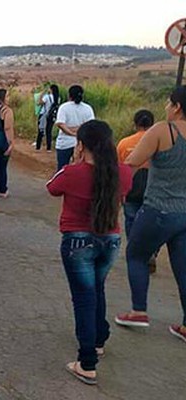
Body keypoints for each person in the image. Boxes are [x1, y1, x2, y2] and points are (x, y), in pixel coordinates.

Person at [47, 120, 132, 386]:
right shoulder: (124, 173)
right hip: (110, 239)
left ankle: (86, 363)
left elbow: (52, 187)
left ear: (81, 144)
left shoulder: (72, 173)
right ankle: (98, 339)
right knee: (98, 288)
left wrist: (74, 161)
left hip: (77, 241)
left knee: (84, 298)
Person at [115, 86, 186, 344]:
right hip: (184, 213)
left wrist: (116, 195)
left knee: (136, 254)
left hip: (158, 209)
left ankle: (138, 311)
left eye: (169, 103)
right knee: (183, 268)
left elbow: (131, 163)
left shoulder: (162, 130)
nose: (166, 108)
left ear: (177, 106)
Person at [117, 110, 158, 274]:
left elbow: (120, 168)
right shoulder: (161, 142)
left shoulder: (124, 143)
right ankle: (151, 251)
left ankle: (135, 252)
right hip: (153, 187)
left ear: (135, 124)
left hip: (131, 187)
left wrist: (120, 191)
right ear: (153, 124)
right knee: (153, 221)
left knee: (131, 221)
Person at [55, 85, 95, 171]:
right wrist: (80, 129)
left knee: (62, 169)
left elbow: (61, 124)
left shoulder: (64, 107)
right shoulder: (87, 108)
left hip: (64, 143)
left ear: (69, 95)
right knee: (81, 169)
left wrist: (71, 132)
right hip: (82, 143)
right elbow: (90, 126)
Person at [37, 84, 59, 152]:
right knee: (49, 131)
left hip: (44, 114)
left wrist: (41, 95)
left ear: (51, 90)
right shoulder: (58, 98)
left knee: (41, 129)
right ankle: (48, 148)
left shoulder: (47, 97)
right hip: (51, 116)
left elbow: (39, 103)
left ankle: (38, 146)